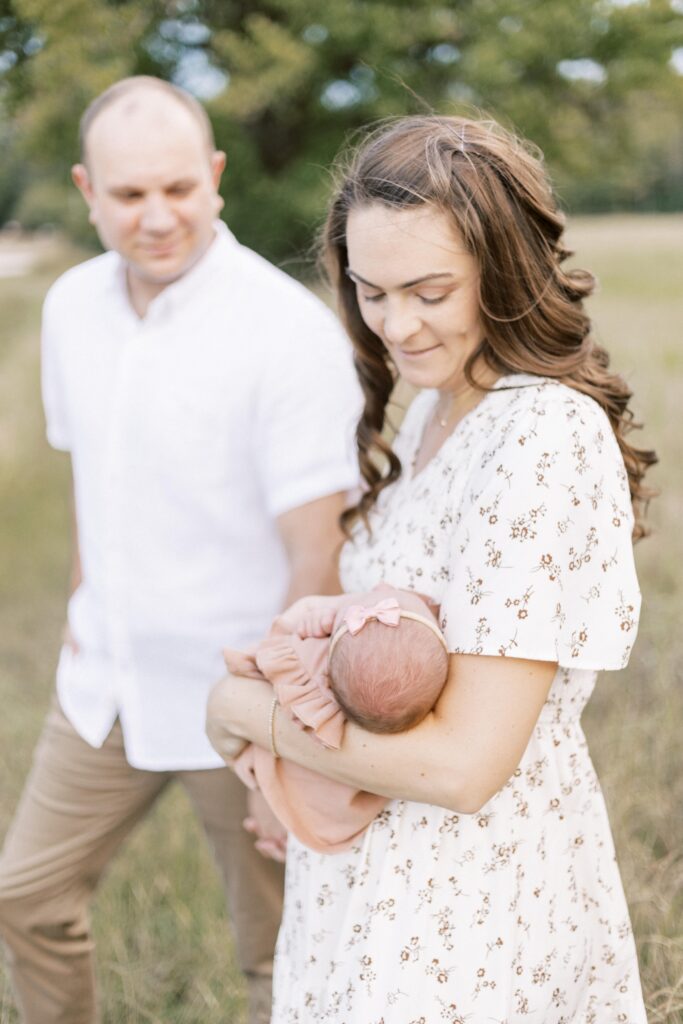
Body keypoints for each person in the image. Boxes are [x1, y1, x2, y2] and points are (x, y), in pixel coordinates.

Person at [206, 114, 657, 1022]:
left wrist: (241, 713)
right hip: (373, 886)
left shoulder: (539, 434)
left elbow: (462, 766)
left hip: (472, 910)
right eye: (370, 293)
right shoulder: (432, 413)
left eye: (427, 290)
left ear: (504, 270)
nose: (396, 327)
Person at [0, 76, 361, 1024]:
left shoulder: (286, 330)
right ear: (86, 190)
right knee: (25, 896)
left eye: (178, 189)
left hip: (239, 697)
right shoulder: (71, 307)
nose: (157, 217)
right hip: (105, 684)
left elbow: (316, 549)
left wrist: (293, 735)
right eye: (127, 196)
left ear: (215, 176)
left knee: (279, 954)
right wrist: (85, 611)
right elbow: (95, 483)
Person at [222, 587, 448, 854]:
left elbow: (280, 631)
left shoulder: (306, 665)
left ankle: (273, 818)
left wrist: (310, 617)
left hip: (277, 749)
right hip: (332, 797)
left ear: (328, 675)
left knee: (276, 785)